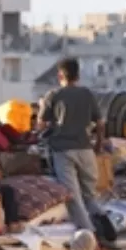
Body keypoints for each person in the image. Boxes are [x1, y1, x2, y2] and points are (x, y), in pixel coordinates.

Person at [40, 57, 104, 232]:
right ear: (78, 75)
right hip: (86, 149)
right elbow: (100, 123)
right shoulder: (87, 94)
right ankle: (103, 219)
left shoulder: (53, 95)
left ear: (60, 75)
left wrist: (42, 109)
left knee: (73, 198)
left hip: (63, 150)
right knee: (90, 195)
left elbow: (41, 125)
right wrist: (98, 144)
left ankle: (91, 236)